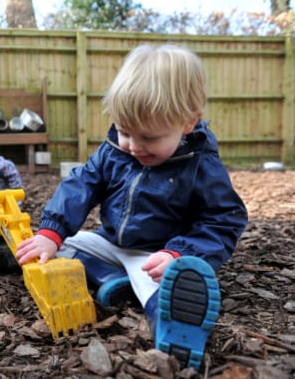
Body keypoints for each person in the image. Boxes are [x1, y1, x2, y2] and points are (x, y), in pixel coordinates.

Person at [15, 43, 248, 371]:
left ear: (188, 123)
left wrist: (180, 254)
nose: (134, 146)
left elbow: (223, 219)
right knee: (57, 245)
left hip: (156, 256)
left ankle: (173, 323)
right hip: (109, 243)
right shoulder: (114, 150)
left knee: (165, 285)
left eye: (149, 137)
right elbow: (81, 185)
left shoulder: (201, 167)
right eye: (124, 131)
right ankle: (111, 277)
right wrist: (51, 232)